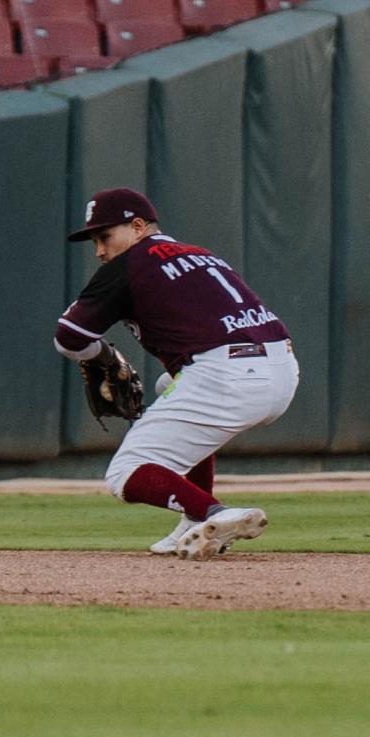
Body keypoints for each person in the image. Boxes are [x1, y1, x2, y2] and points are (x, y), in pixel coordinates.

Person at [53, 188, 298, 561]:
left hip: (228, 377)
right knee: (169, 384)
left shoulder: (129, 265)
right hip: (281, 371)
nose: (99, 251)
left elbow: (69, 339)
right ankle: (192, 519)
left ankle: (215, 513)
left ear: (137, 227)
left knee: (125, 473)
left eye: (104, 237)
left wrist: (104, 355)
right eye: (94, 241)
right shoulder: (200, 254)